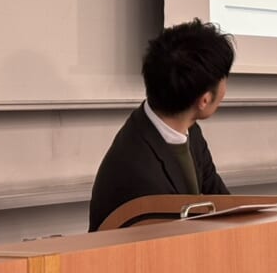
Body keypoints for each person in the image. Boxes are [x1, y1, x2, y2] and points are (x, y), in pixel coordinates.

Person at [88, 19, 234, 231]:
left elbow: (221, 199)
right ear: (204, 100)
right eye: (224, 78)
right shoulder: (138, 170)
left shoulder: (189, 129)